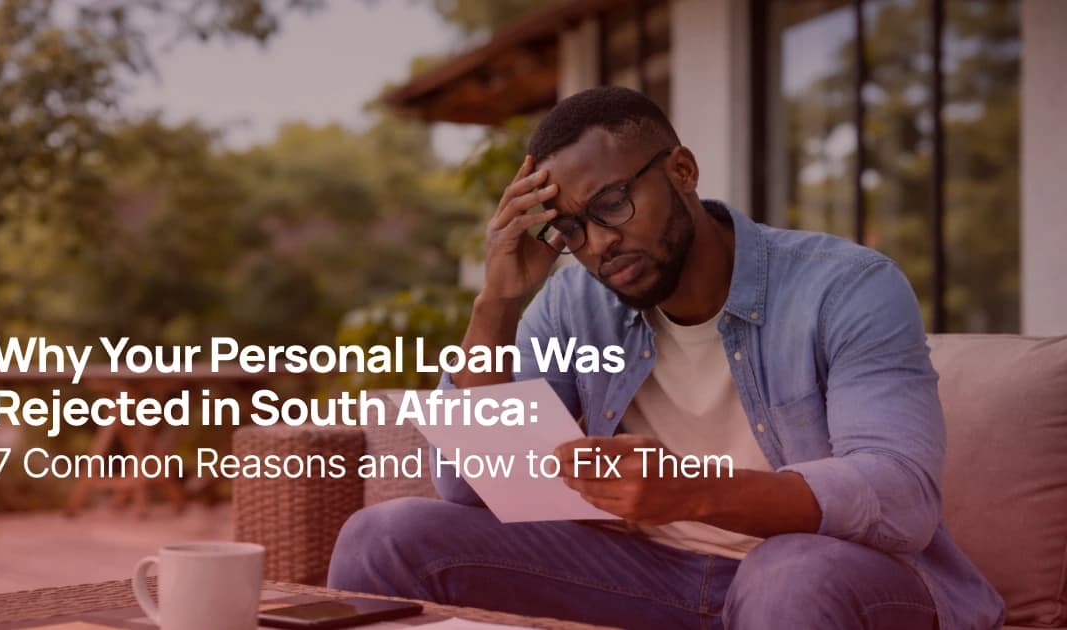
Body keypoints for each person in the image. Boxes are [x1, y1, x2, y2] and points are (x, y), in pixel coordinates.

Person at [327, 86, 1004, 630]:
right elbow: (468, 488)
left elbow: (899, 495)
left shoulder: (846, 286)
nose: (597, 244)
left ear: (682, 170)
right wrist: (495, 306)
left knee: (791, 573)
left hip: (825, 580)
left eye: (612, 203)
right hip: (643, 580)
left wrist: (692, 491)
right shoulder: (573, 303)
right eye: (571, 227)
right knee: (384, 536)